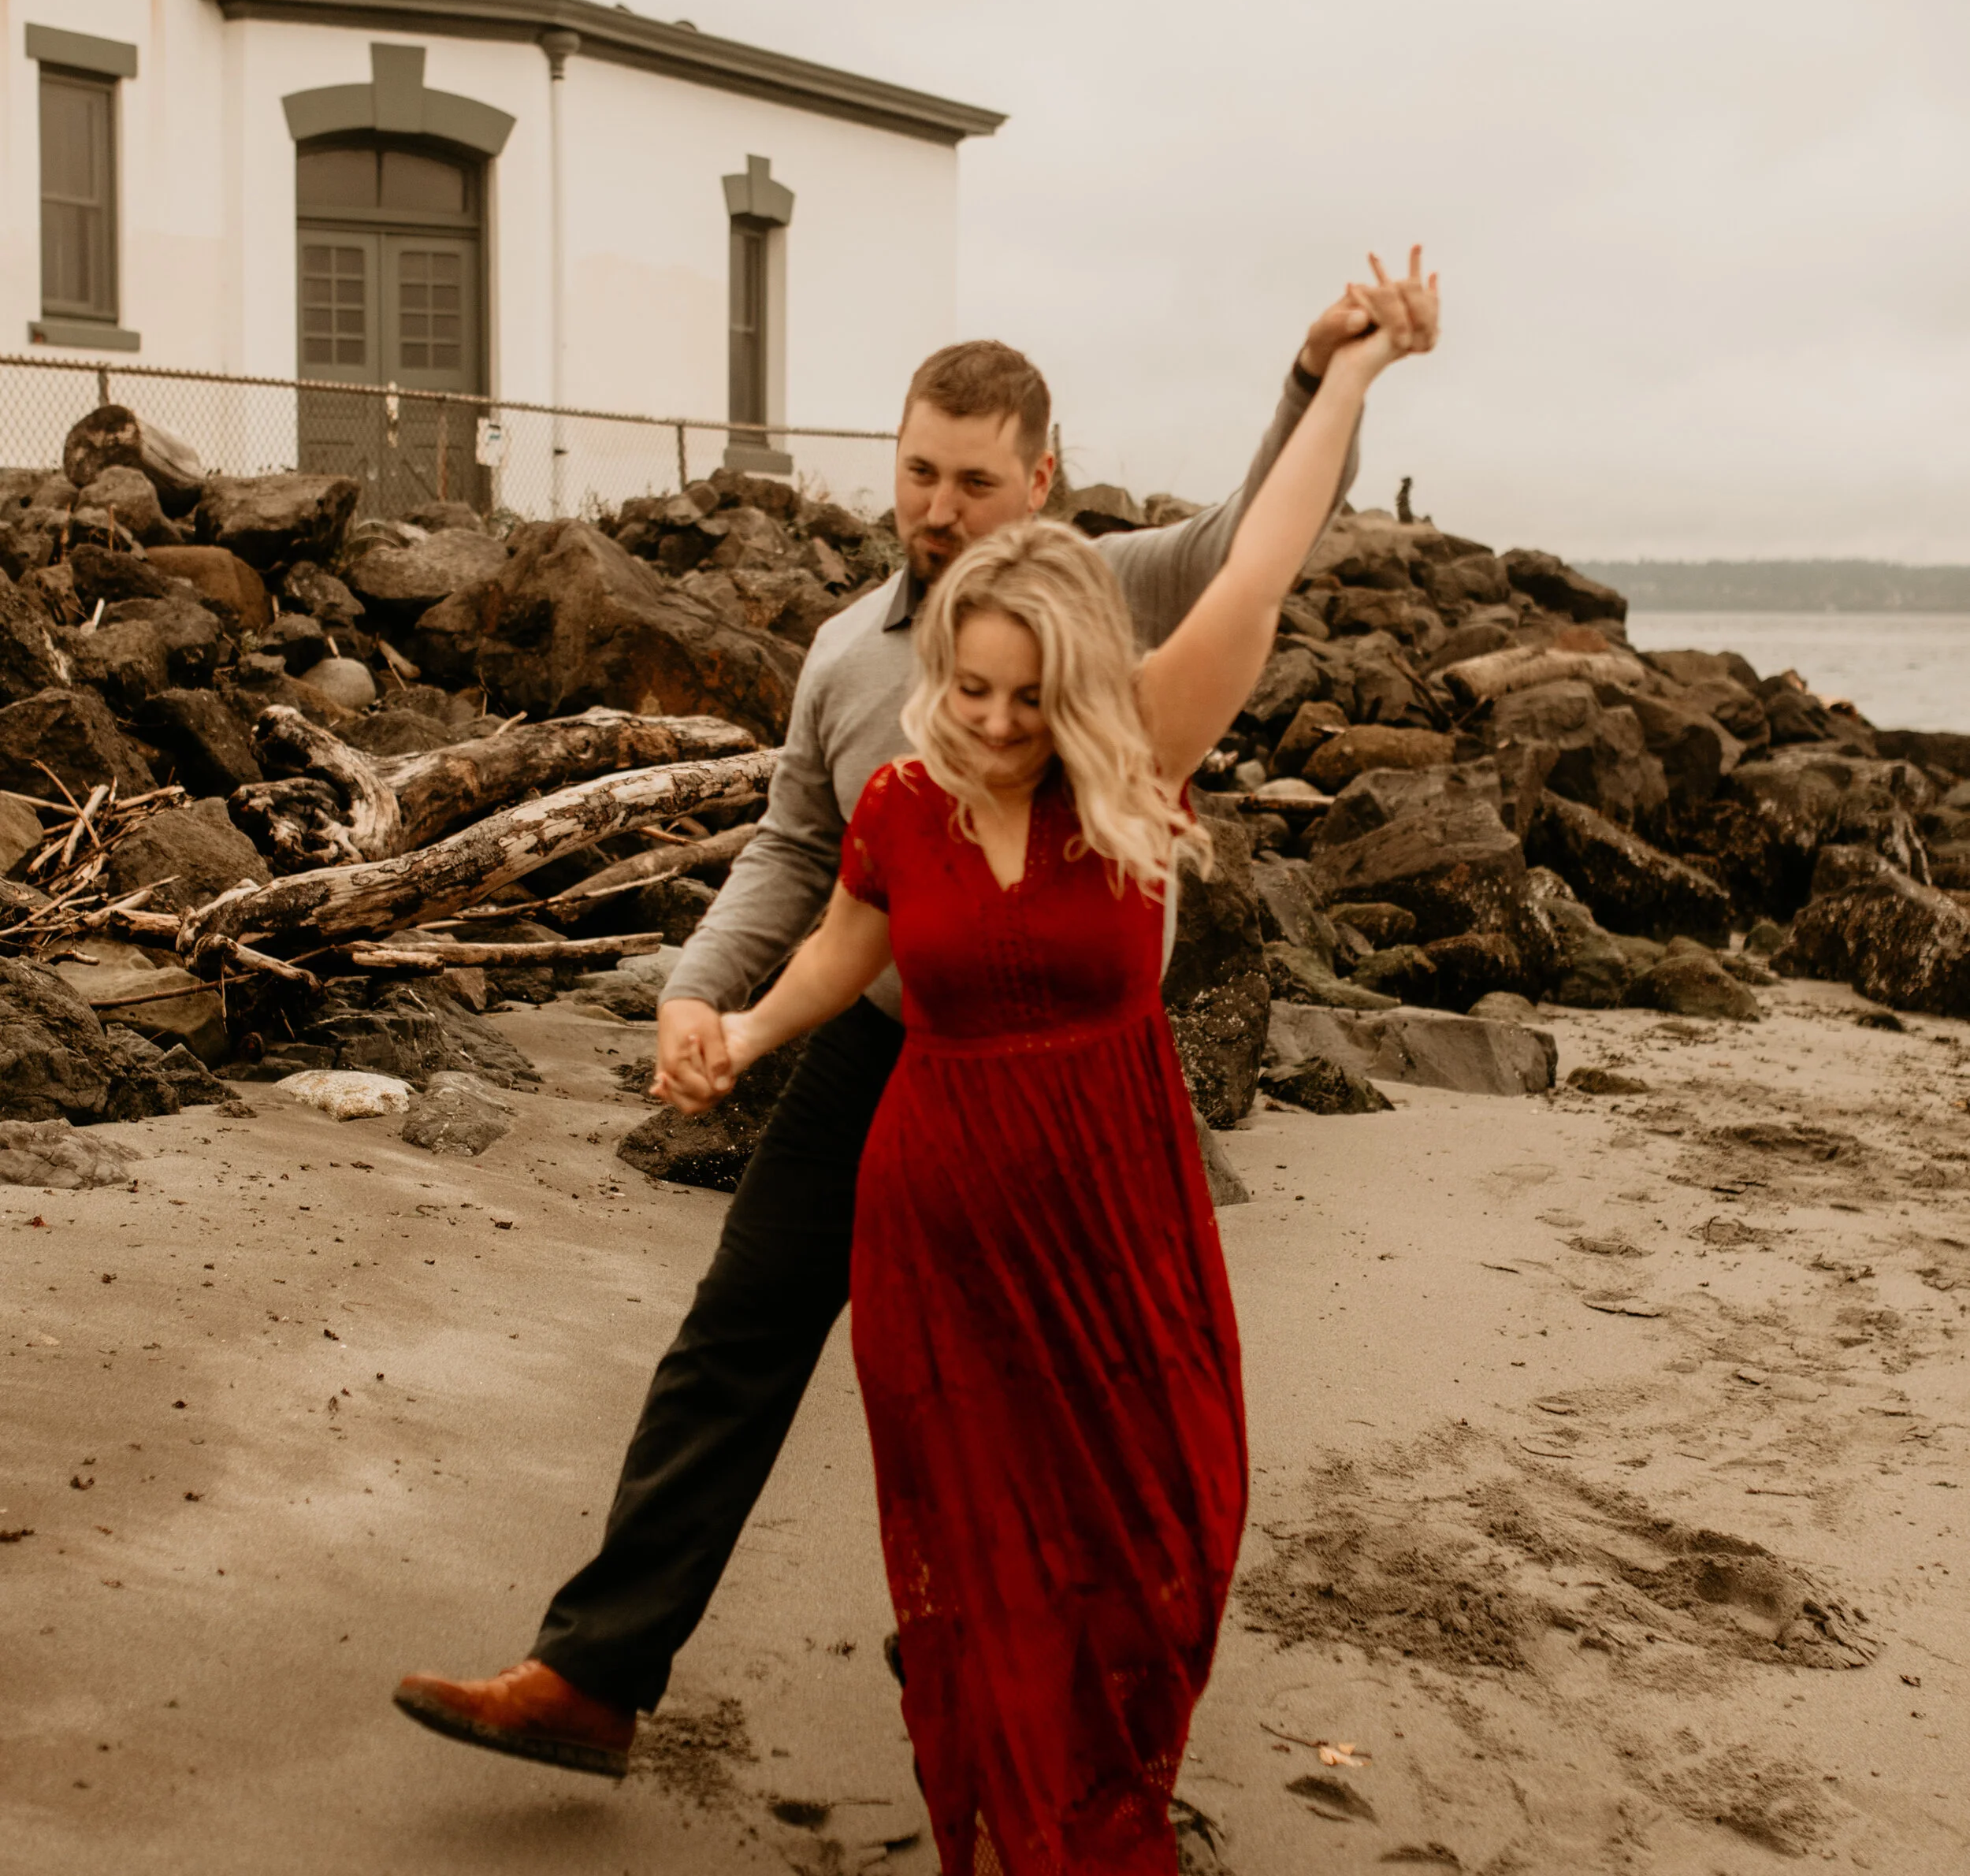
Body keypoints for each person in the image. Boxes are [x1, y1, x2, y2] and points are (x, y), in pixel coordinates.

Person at [393, 284, 1378, 1778]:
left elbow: (1264, 535)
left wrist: (1318, 375)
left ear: (1041, 478)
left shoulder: (1114, 593)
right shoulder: (850, 651)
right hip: (879, 1053)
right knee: (734, 1337)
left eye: (975, 478)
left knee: (1056, 1405)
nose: (939, 506)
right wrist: (701, 995)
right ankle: (593, 1673)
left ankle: (1036, 1693)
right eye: (919, 471)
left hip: (1062, 1080)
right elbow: (801, 851)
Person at [658, 246, 1439, 1876]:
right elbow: (840, 947)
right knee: (995, 1567)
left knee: (1167, 1540)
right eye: (968, 692)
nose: (995, 724)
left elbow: (1253, 564)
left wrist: (1349, 377)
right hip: (940, 1226)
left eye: (1022, 695)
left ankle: (1101, 1792)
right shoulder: (901, 799)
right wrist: (738, 1034)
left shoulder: (1131, 766)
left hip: (1117, 1206)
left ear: (1070, 679)